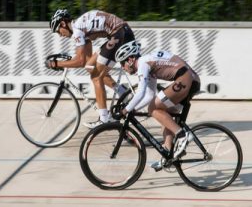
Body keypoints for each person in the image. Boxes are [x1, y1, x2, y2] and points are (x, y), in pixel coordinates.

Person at [115, 40, 201, 171]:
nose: (122, 67)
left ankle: (182, 135)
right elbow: (149, 95)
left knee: (153, 108)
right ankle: (168, 152)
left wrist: (125, 110)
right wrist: (132, 110)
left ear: (131, 59)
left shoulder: (143, 63)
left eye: (122, 63)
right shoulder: (149, 64)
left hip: (185, 78)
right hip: (191, 79)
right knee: (163, 114)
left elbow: (140, 92)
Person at [46, 9, 135, 128]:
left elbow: (80, 60)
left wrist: (56, 64)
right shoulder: (81, 28)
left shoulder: (77, 30)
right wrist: (68, 62)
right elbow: (86, 61)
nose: (60, 35)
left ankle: (104, 118)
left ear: (62, 24)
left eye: (58, 31)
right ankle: (123, 92)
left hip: (118, 34)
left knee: (96, 76)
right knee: (91, 68)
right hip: (121, 32)